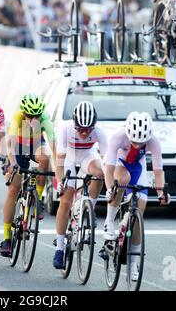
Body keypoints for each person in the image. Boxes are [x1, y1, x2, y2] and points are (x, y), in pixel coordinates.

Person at [103, 111, 170, 281]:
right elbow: (109, 169)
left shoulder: (153, 141)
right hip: (119, 164)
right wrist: (110, 189)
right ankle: (109, 221)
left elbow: (158, 171)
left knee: (140, 209)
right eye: (133, 141)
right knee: (122, 180)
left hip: (138, 168)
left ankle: (134, 263)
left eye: (141, 143)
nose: (137, 145)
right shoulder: (118, 136)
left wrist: (162, 192)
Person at [0, 93, 56, 257]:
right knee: (13, 190)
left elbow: (53, 143)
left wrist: (59, 168)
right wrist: (13, 165)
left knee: (46, 157)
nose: (33, 119)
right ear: (23, 113)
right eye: (30, 116)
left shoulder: (45, 119)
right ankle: (7, 237)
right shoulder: (17, 117)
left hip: (37, 145)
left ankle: (36, 200)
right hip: (17, 148)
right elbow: (9, 143)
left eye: (36, 116)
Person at [53, 101, 107, 269]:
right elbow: (60, 163)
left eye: (88, 129)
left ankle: (89, 208)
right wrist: (61, 182)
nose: (84, 133)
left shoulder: (100, 131)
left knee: (100, 173)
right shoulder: (66, 129)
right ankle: (60, 248)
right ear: (75, 124)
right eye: (80, 129)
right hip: (69, 158)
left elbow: (107, 162)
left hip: (87, 156)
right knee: (66, 201)